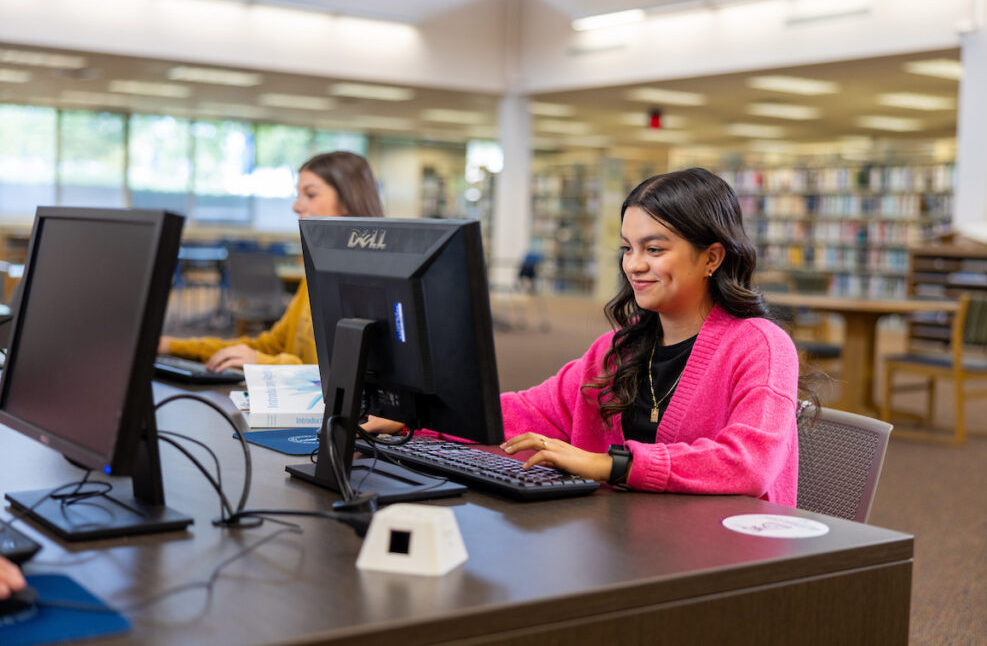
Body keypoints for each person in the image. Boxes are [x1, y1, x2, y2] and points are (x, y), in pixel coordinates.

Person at [367, 168, 811, 505]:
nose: (634, 265)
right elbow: (524, 412)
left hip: (722, 559)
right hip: (628, 542)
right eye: (627, 248)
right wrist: (417, 415)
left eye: (654, 249)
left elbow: (748, 463)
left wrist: (608, 464)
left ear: (712, 257)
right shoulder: (618, 352)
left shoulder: (761, 345)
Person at [159, 151, 384, 372]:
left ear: (347, 201)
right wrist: (172, 346)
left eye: (310, 195)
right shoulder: (319, 272)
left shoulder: (370, 283)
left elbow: (338, 376)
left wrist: (262, 362)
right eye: (298, 194)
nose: (296, 206)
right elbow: (272, 346)